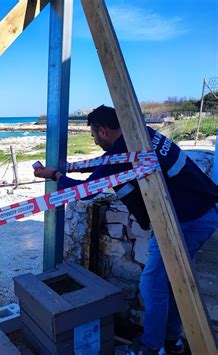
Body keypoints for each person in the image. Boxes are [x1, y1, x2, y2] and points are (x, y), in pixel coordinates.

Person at [34, 105, 218, 354]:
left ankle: (153, 347)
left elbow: (87, 191)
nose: (94, 140)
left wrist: (55, 175)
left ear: (103, 130)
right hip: (200, 212)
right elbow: (107, 164)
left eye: (94, 136)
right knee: (177, 282)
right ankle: (172, 340)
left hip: (184, 223)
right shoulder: (139, 135)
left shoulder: (124, 149)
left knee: (154, 284)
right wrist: (69, 168)